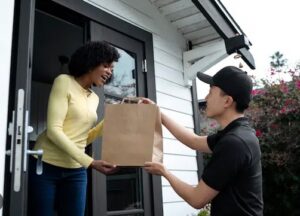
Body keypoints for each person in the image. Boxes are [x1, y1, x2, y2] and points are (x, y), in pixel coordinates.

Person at [142, 66, 263, 215]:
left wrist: (164, 172)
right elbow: (194, 141)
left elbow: (197, 199)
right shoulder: (238, 134)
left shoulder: (234, 143)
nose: (206, 98)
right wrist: (158, 113)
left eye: (211, 93)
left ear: (227, 101)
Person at [28, 41, 120, 216]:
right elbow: (54, 131)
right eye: (106, 65)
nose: (110, 71)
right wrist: (91, 162)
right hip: (45, 166)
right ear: (91, 62)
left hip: (76, 170)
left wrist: (109, 121)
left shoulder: (94, 98)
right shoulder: (63, 82)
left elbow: (83, 137)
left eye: (112, 69)